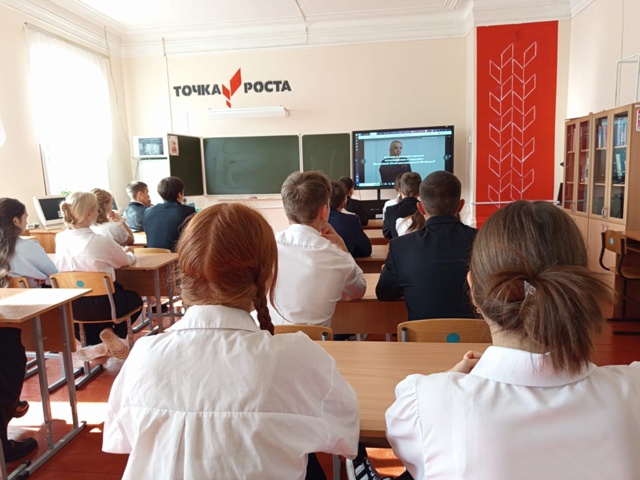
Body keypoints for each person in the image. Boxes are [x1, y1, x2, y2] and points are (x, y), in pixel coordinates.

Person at [102, 203, 361, 479]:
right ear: (267, 276)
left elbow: (121, 439)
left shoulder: (143, 354)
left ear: (184, 273)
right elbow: (345, 434)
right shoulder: (298, 357)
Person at [385, 200, 640, 480]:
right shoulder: (633, 391)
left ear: (473, 289)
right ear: (577, 290)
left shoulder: (426, 403)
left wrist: (447, 382)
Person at [269, 171, 366, 327]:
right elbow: (358, 290)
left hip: (267, 338)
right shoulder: (337, 258)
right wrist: (342, 247)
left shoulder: (264, 247)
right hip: (315, 341)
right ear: (324, 211)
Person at [55, 192, 142, 361]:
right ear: (89, 214)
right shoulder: (100, 240)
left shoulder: (60, 238)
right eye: (96, 209)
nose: (98, 212)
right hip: (107, 304)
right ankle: (112, 334)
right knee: (135, 299)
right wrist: (129, 254)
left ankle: (97, 344)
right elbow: (124, 261)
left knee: (91, 309)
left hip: (73, 306)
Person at [376, 171, 476, 320]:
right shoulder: (483, 240)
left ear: (421, 208)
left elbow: (385, 294)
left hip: (421, 334)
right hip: (475, 333)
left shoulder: (400, 247)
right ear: (460, 205)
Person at [0, 198, 41, 463]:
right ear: (16, 220)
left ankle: (11, 405)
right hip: (6, 324)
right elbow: (53, 273)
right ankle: (3, 446)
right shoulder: (26, 246)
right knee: (10, 361)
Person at [1, 197, 57, 287]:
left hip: (8, 295)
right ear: (16, 221)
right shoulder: (29, 246)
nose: (27, 223)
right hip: (37, 294)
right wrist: (43, 280)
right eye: (25, 218)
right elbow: (55, 274)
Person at [143, 176, 195, 251]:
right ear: (179, 194)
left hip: (152, 256)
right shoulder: (188, 211)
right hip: (176, 256)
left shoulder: (148, 211)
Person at [328, 180, 372, 258]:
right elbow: (366, 250)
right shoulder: (351, 220)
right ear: (343, 203)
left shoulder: (314, 221)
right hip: (344, 262)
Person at [382, 172, 421, 239]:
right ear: (419, 191)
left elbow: (387, 234)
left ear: (400, 190)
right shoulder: (426, 209)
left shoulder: (390, 210)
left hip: (398, 245)